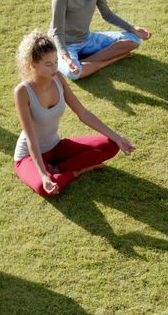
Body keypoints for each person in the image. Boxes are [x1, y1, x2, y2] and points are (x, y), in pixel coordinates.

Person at [13, 31, 135, 197]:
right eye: (48, 64)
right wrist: (43, 175)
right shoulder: (22, 92)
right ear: (33, 64)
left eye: (56, 62)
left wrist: (117, 137)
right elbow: (31, 138)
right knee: (45, 187)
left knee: (111, 145)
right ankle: (74, 171)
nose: (55, 67)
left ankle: (57, 169)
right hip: (28, 155)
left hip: (56, 148)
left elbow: (83, 113)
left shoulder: (58, 79)